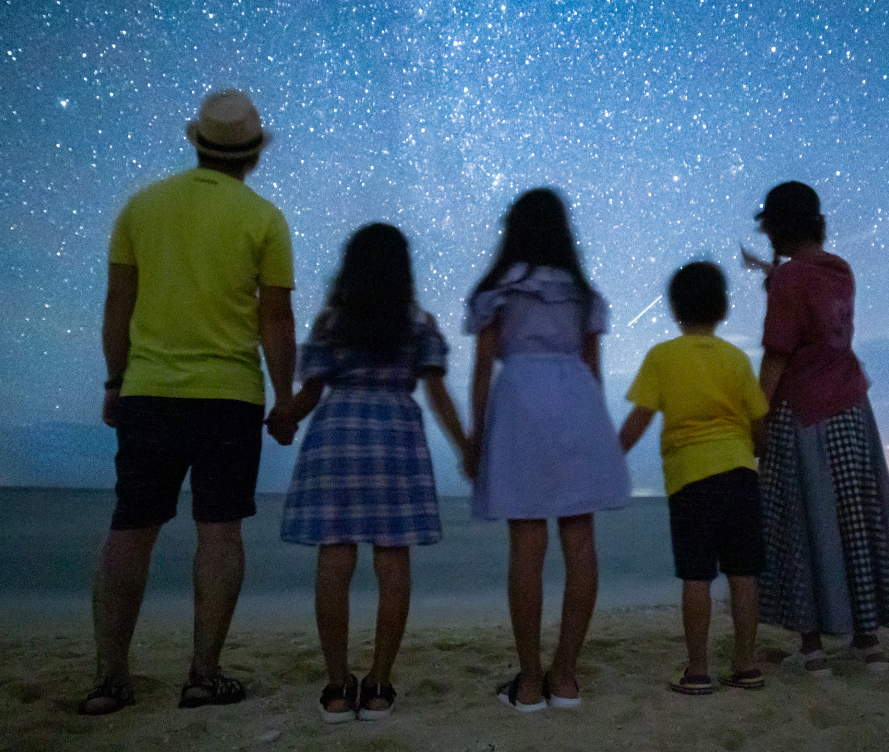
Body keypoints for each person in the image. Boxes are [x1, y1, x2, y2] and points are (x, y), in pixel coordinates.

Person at [83, 90, 297, 715]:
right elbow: (276, 323)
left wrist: (114, 381)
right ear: (254, 155)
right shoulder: (264, 218)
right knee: (220, 532)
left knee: (131, 529)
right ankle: (203, 674)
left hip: (149, 392)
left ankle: (109, 680)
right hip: (228, 397)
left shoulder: (142, 208)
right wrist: (285, 400)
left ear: (196, 143)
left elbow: (117, 305)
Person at [275, 224, 467, 723]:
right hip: (396, 439)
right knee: (392, 562)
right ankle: (379, 686)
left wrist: (286, 417)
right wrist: (466, 445)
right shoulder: (417, 323)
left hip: (337, 437)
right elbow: (438, 393)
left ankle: (337, 689)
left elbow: (312, 391)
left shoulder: (331, 322)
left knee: (334, 560)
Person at [751, 181, 889, 676]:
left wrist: (756, 417)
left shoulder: (788, 279)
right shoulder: (840, 271)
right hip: (851, 407)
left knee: (802, 521)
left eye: (768, 223)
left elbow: (778, 353)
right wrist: (773, 276)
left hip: (803, 411)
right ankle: (868, 641)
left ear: (780, 224)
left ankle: (811, 649)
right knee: (855, 521)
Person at [464, 187, 631, 712]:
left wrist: (476, 435)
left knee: (527, 547)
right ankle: (566, 674)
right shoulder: (583, 293)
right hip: (576, 401)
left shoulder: (500, 291)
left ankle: (531, 681)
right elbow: (594, 370)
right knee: (580, 541)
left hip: (519, 404)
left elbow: (480, 372)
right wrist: (599, 436)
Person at [619, 261, 769, 694]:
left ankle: (699, 669)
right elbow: (759, 420)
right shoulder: (736, 359)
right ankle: (745, 665)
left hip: (690, 480)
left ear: (674, 309)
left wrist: (611, 459)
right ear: (723, 308)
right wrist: (756, 450)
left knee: (697, 577)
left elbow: (639, 419)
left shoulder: (662, 357)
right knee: (744, 575)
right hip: (740, 474)